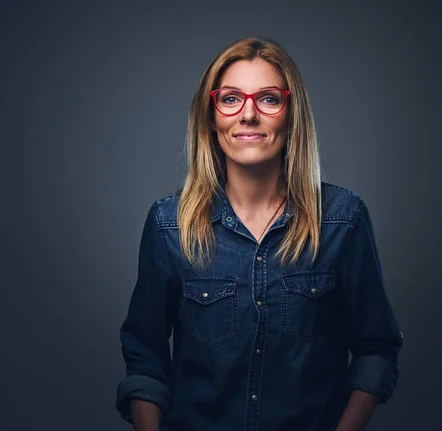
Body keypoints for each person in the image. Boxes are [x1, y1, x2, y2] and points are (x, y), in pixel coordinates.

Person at [116, 36, 403, 431]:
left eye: (268, 99)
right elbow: (145, 359)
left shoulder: (342, 220)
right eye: (231, 99)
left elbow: (377, 350)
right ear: (210, 115)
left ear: (291, 114)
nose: (247, 115)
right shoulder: (171, 225)